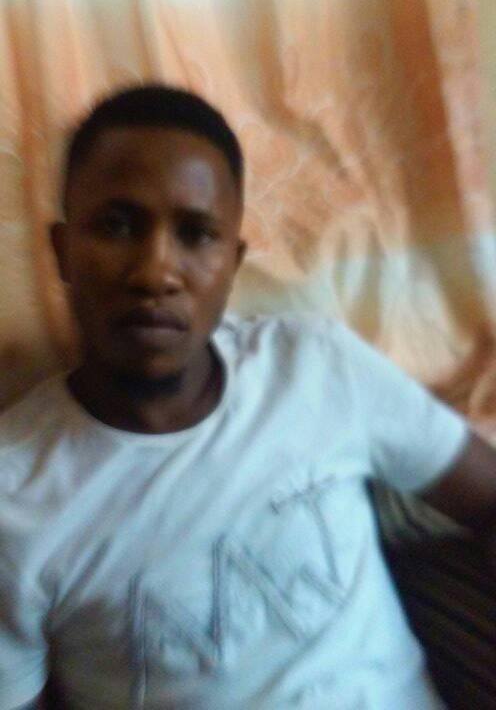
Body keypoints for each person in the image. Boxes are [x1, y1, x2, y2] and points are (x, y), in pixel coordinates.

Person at [1, 84, 495, 710]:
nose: (155, 272)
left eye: (196, 234)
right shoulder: (13, 494)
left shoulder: (317, 368)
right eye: (117, 226)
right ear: (62, 251)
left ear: (232, 263)